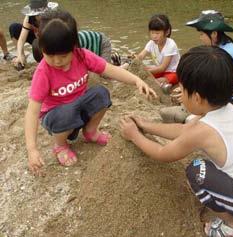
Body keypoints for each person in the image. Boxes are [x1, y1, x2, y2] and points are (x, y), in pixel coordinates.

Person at [120, 46, 233, 237]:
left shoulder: (204, 130)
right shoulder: (225, 109)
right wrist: (146, 126)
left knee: (196, 170)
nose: (179, 92)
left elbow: (162, 154)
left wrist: (134, 135)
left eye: (182, 89)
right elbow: (184, 130)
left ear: (198, 98)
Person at [25, 11, 157, 176]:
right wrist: (32, 149)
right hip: (56, 116)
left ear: (74, 47)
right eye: (50, 55)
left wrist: (137, 80)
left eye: (63, 56)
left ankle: (91, 132)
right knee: (66, 112)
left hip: (79, 107)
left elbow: (110, 70)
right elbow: (32, 111)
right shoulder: (43, 72)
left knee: (101, 93)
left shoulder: (82, 56)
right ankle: (60, 144)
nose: (57, 61)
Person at [31, 9, 121, 65]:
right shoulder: (61, 43)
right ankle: (112, 59)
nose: (56, 61)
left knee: (105, 74)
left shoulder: (70, 45)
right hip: (90, 44)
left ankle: (124, 65)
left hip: (102, 43)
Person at [136, 14, 180, 93]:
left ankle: (165, 86)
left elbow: (162, 68)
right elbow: (141, 55)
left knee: (158, 80)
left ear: (167, 32)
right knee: (145, 73)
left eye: (157, 33)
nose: (154, 36)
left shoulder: (171, 45)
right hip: (160, 70)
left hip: (173, 72)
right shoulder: (151, 43)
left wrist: (146, 71)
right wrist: (135, 59)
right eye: (152, 33)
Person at [9, 0, 58, 69]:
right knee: (14, 27)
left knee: (36, 45)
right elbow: (22, 39)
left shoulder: (52, 17)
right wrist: (19, 55)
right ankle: (22, 59)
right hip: (36, 37)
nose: (40, 16)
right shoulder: (29, 17)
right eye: (37, 14)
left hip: (50, 40)